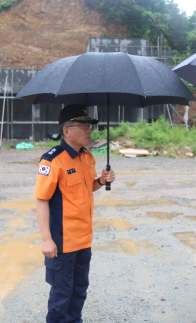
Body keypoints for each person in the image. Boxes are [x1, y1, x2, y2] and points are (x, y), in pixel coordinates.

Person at [34, 104, 115, 323]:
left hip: (83, 239)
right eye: (83, 126)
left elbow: (87, 188)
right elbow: (42, 200)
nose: (89, 131)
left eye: (90, 126)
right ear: (67, 130)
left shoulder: (87, 156)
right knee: (61, 295)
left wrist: (101, 181)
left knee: (79, 291)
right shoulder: (52, 160)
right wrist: (46, 240)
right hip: (62, 242)